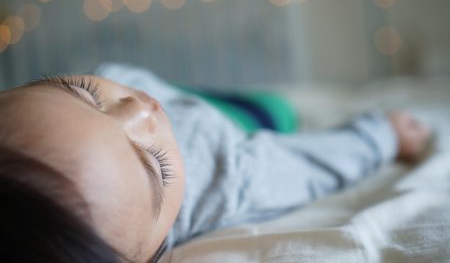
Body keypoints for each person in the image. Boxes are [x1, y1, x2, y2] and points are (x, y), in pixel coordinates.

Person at [0, 63, 431, 262]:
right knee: (277, 109)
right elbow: (302, 166)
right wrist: (382, 136)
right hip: (238, 121)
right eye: (155, 166)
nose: (140, 111)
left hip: (183, 92)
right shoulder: (223, 177)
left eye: (79, 91)